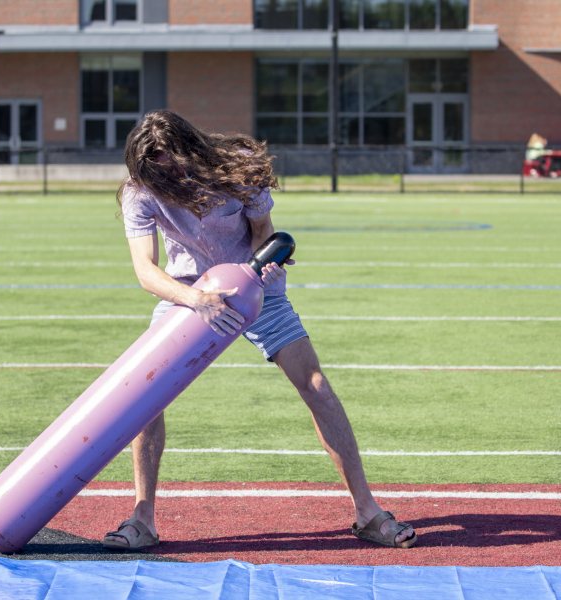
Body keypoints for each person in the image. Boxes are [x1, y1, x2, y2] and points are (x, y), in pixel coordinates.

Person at [103, 109, 417, 551]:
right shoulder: (140, 190)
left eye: (170, 162)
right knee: (146, 398)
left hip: (256, 292)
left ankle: (367, 511)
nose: (165, 173)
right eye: (154, 166)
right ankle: (143, 518)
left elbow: (262, 234)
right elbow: (144, 270)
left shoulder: (237, 167)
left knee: (316, 384)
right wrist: (195, 299)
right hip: (189, 292)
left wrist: (261, 272)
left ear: (191, 149)